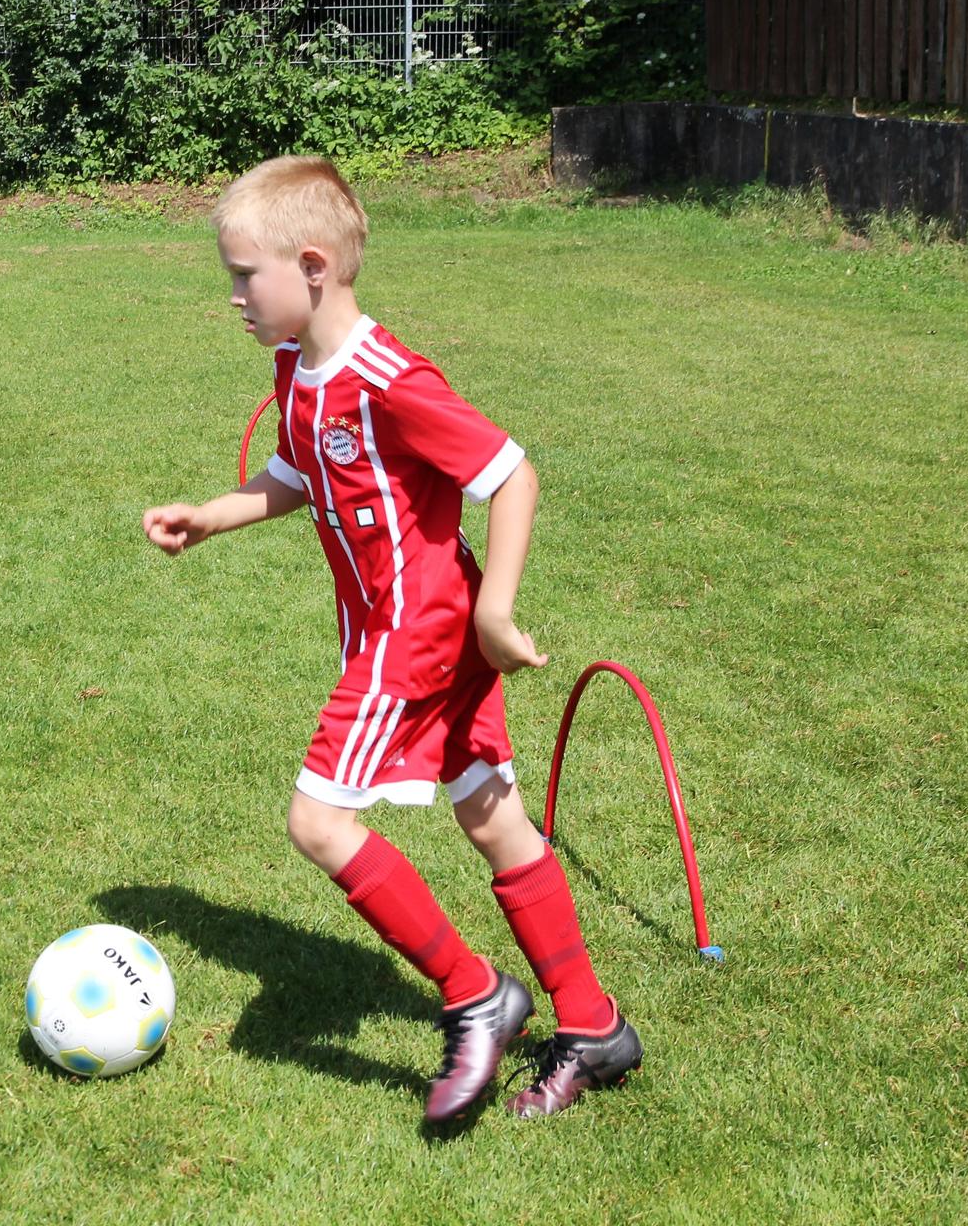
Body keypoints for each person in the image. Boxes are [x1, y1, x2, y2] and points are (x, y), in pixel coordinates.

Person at [141, 155, 639, 1122]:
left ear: (313, 266)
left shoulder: (389, 379)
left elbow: (512, 474)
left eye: (244, 276)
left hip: (419, 631)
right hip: (406, 627)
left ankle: (475, 995)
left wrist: (495, 612)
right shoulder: (297, 367)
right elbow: (296, 477)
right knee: (489, 813)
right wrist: (212, 516)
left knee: (318, 823)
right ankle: (594, 1026)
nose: (234, 296)